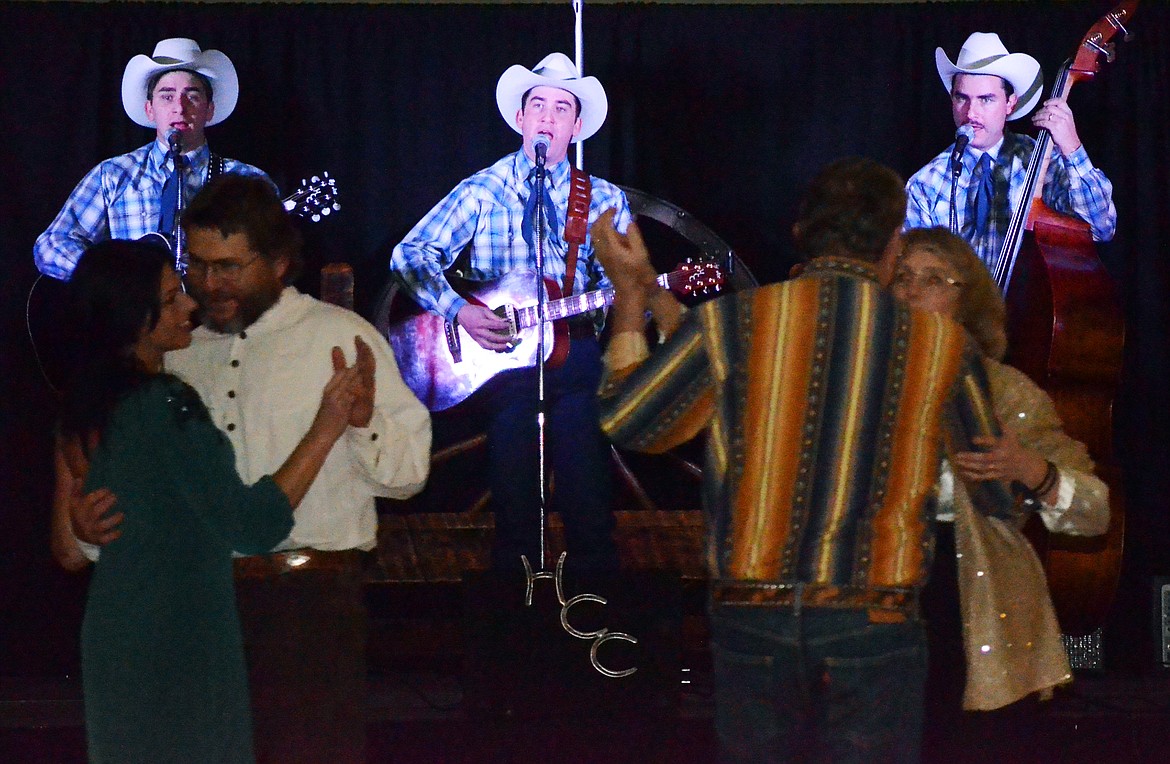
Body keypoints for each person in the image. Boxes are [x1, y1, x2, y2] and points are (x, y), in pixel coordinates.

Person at [591, 157, 1005, 763]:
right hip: (875, 615)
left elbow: (629, 421)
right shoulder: (942, 345)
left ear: (799, 232)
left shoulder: (732, 323)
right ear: (893, 240)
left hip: (750, 610)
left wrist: (632, 297)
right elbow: (993, 493)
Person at [73, 174, 432, 764]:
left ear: (281, 262)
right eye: (198, 265)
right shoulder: (176, 352)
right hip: (195, 611)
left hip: (308, 604)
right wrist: (90, 530)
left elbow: (410, 474)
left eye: (230, 267)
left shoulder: (341, 337)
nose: (209, 285)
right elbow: (136, 498)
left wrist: (362, 421)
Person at [51, 238, 363, 763]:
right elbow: (252, 524)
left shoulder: (83, 408)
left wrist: (84, 526)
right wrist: (326, 428)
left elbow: (67, 550)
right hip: (181, 641)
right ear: (135, 318)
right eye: (173, 299)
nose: (191, 304)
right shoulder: (166, 404)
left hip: (116, 638)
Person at [391, 52, 631, 572]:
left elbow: (624, 284)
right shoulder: (483, 189)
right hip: (498, 363)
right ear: (520, 119)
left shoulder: (603, 199)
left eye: (561, 108)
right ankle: (516, 614)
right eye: (537, 105)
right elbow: (410, 255)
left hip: (575, 356)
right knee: (513, 499)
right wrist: (458, 311)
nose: (548, 116)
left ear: (578, 124)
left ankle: (597, 614)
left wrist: (629, 292)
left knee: (589, 495)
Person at [891, 227, 1109, 726]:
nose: (912, 291)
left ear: (967, 301)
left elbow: (1094, 512)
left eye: (933, 279)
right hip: (878, 592)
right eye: (901, 277)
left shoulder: (1005, 390)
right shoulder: (861, 376)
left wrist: (1029, 469)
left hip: (975, 596)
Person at [34, 38, 269, 281]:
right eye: (167, 96)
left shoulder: (246, 181)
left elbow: (271, 263)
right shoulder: (114, 174)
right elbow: (51, 244)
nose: (179, 107)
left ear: (209, 110)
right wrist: (109, 280)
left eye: (193, 95)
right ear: (150, 110)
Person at [904, 32, 1116, 269]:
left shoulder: (1042, 162)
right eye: (962, 98)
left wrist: (1071, 146)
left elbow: (1101, 228)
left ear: (1010, 103)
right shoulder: (924, 185)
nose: (971, 113)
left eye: (986, 99)